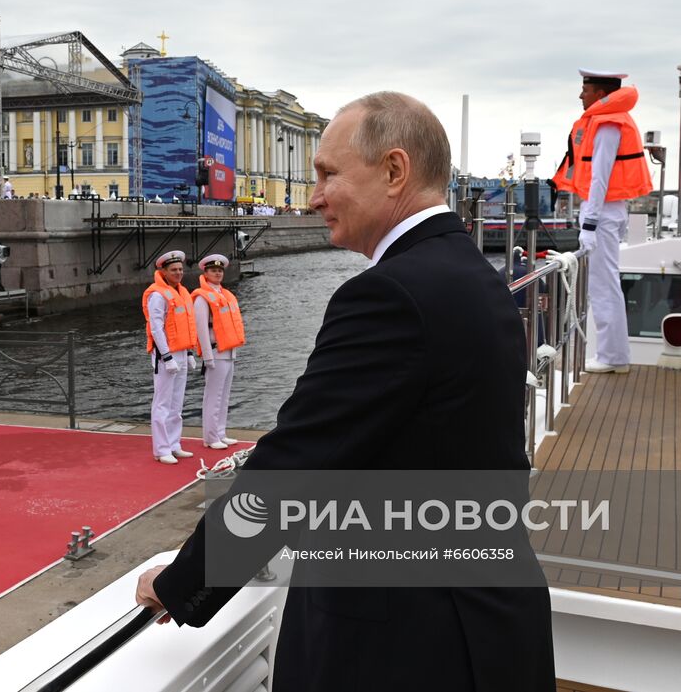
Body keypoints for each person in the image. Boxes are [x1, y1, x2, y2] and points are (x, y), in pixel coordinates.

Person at [136, 91, 554, 690]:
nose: (314, 196)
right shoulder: (474, 275)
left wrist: (183, 584)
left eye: (328, 173)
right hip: (487, 620)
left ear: (393, 171)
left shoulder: (389, 296)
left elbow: (296, 463)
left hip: (410, 644)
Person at [552, 69, 653, 375]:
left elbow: (600, 176)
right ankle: (613, 354)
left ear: (599, 94)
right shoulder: (607, 120)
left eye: (585, 89)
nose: (581, 95)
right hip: (606, 212)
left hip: (604, 214)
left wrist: (590, 224)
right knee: (604, 284)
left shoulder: (608, 124)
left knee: (603, 285)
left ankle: (612, 357)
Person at [141, 250, 199, 465]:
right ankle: (161, 448)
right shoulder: (158, 294)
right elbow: (156, 328)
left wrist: (190, 352)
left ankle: (174, 444)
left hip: (182, 352)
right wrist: (166, 357)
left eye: (180, 269)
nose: (178, 273)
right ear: (163, 271)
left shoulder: (182, 292)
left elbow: (186, 326)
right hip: (166, 355)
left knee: (177, 403)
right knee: (162, 403)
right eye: (173, 270)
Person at [190, 254, 244, 450]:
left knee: (224, 396)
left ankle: (220, 432)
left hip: (229, 352)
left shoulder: (225, 295)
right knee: (213, 396)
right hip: (215, 352)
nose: (217, 273)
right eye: (213, 270)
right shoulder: (202, 298)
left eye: (220, 270)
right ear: (205, 272)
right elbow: (202, 329)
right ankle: (211, 437)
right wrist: (206, 356)